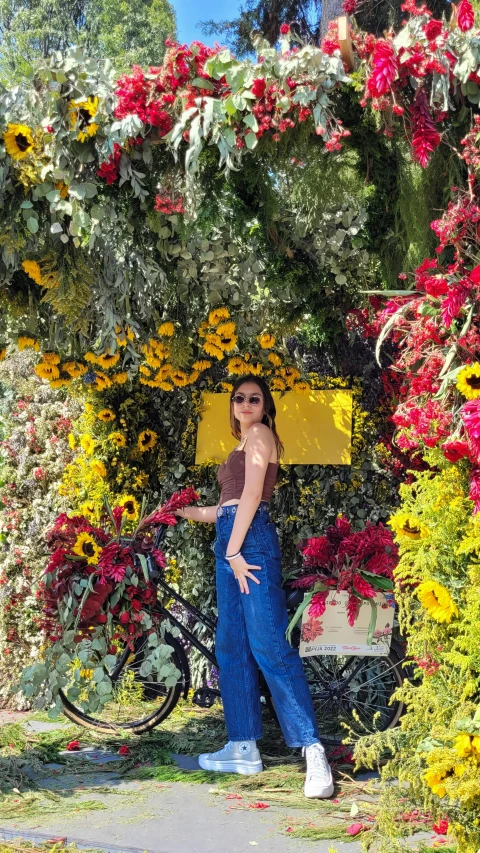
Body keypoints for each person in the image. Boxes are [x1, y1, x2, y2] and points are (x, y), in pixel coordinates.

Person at [174, 374, 334, 798]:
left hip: (250, 545)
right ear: (232, 405)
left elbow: (250, 498)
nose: (245, 404)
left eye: (254, 399)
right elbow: (226, 507)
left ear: (265, 407)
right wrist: (183, 512)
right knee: (232, 646)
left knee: (268, 645)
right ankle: (243, 745)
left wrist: (233, 551)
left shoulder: (262, 435)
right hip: (232, 541)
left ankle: (313, 751)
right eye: (239, 398)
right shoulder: (239, 445)